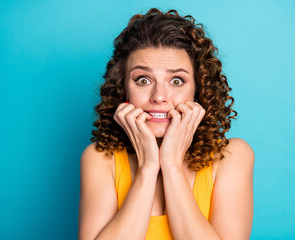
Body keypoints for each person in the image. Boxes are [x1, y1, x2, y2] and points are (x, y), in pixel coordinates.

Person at [78, 8, 254, 240]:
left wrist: (170, 165)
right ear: (123, 89)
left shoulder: (232, 156)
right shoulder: (100, 159)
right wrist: (148, 168)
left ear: (198, 90)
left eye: (176, 80)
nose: (159, 96)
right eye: (143, 80)